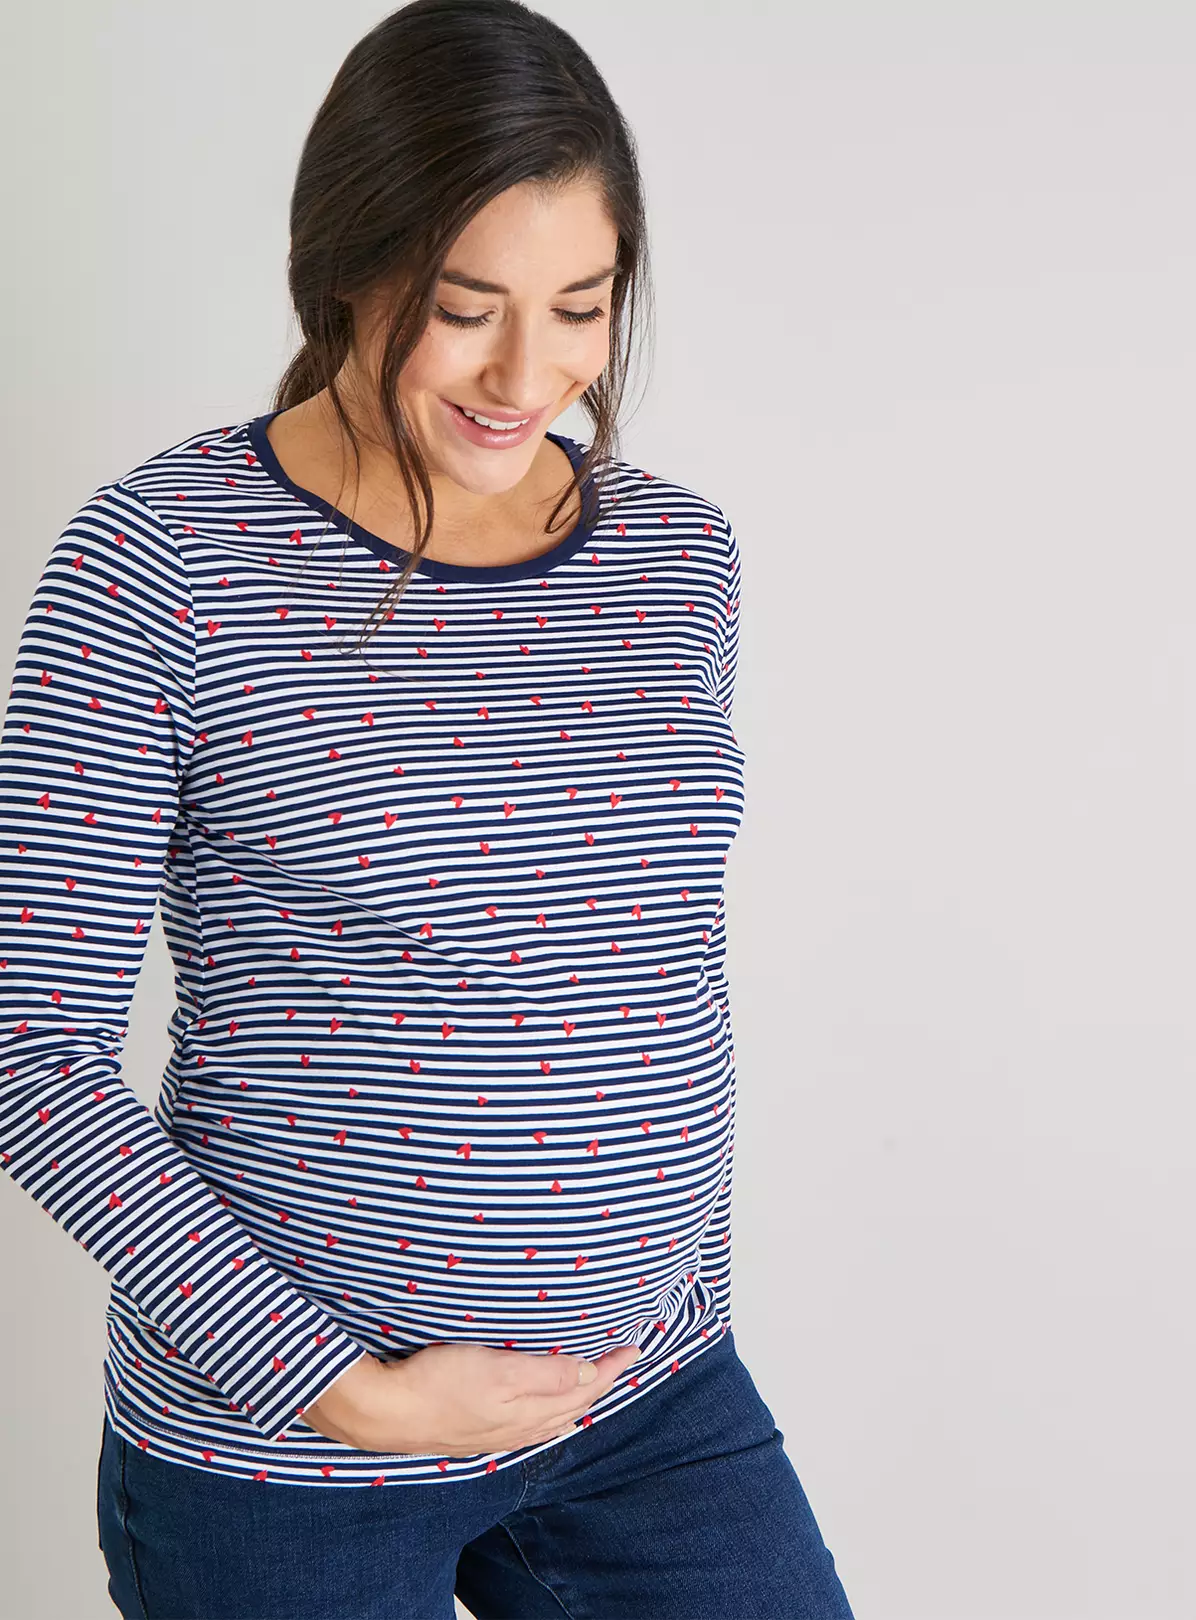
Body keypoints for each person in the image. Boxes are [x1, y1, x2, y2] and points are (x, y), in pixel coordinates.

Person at [0, 1, 856, 1614]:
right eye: (467, 310)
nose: (529, 375)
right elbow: (30, 1048)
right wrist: (334, 1385)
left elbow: (650, 959)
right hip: (289, 1458)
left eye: (581, 308)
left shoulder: (679, 558)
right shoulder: (160, 562)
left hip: (647, 1405)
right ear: (346, 265)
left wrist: (655, 1286)